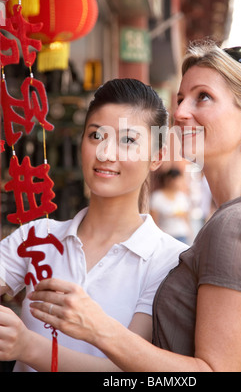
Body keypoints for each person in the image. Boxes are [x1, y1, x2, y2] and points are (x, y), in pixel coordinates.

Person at [29, 40, 241, 372]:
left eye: (204, 97)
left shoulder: (240, 225)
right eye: (181, 99)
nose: (181, 112)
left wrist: (99, 328)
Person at [0, 78, 188, 372]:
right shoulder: (37, 237)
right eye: (96, 135)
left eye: (128, 140)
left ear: (157, 157)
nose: (105, 153)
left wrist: (28, 347)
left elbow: (129, 370)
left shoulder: (168, 260)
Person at [150, 167, 192, 244]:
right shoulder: (157, 197)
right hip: (166, 235)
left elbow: (187, 217)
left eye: (179, 180)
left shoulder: (182, 197)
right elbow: (153, 220)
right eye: (174, 180)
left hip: (182, 234)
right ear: (168, 180)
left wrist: (190, 233)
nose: (176, 183)